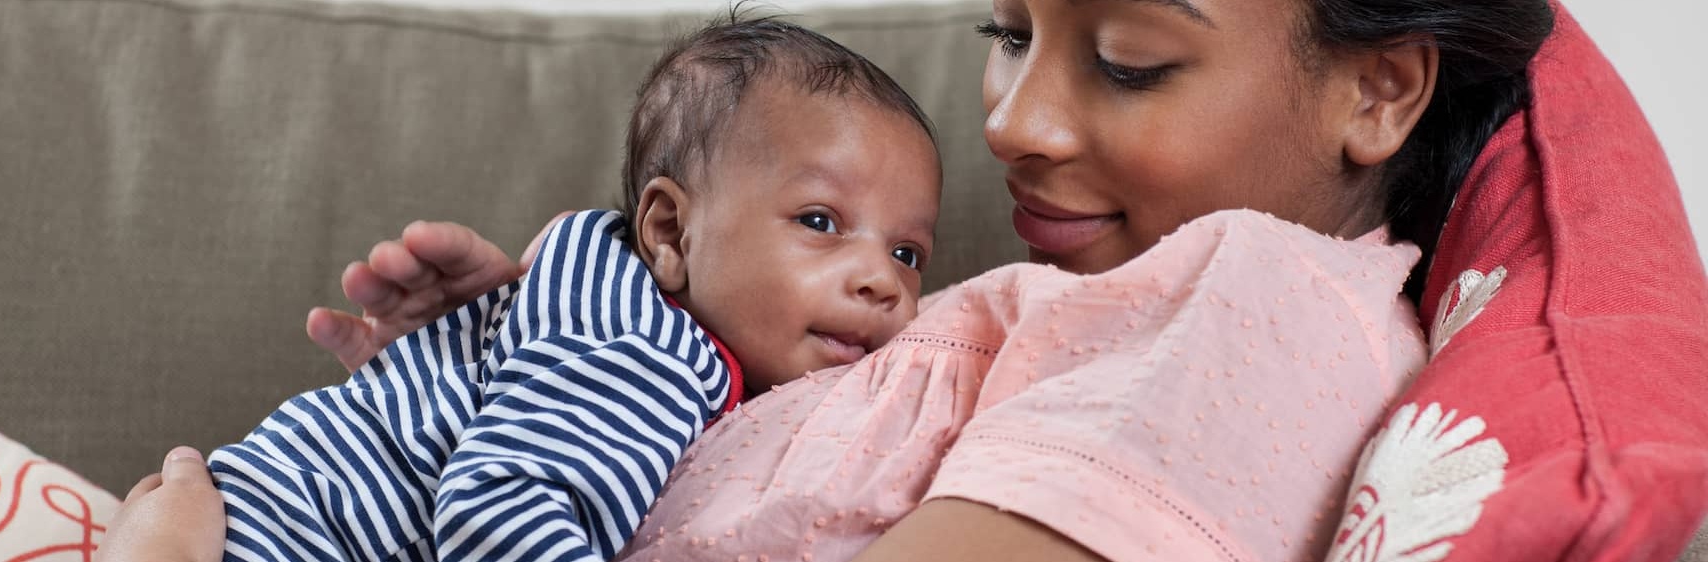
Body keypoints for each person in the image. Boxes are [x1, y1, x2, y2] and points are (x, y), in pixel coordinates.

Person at [101, 0, 1555, 561]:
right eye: (1007, 34)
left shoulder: (1258, 299)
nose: (1013, 125)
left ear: (1379, 89)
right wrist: (528, 336)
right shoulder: (1037, 300)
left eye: (1127, 61)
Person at [202, 17, 941, 562]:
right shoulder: (649, 355)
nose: (882, 279)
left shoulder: (610, 293)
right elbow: (495, 508)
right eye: (820, 221)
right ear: (670, 233)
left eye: (907, 252)